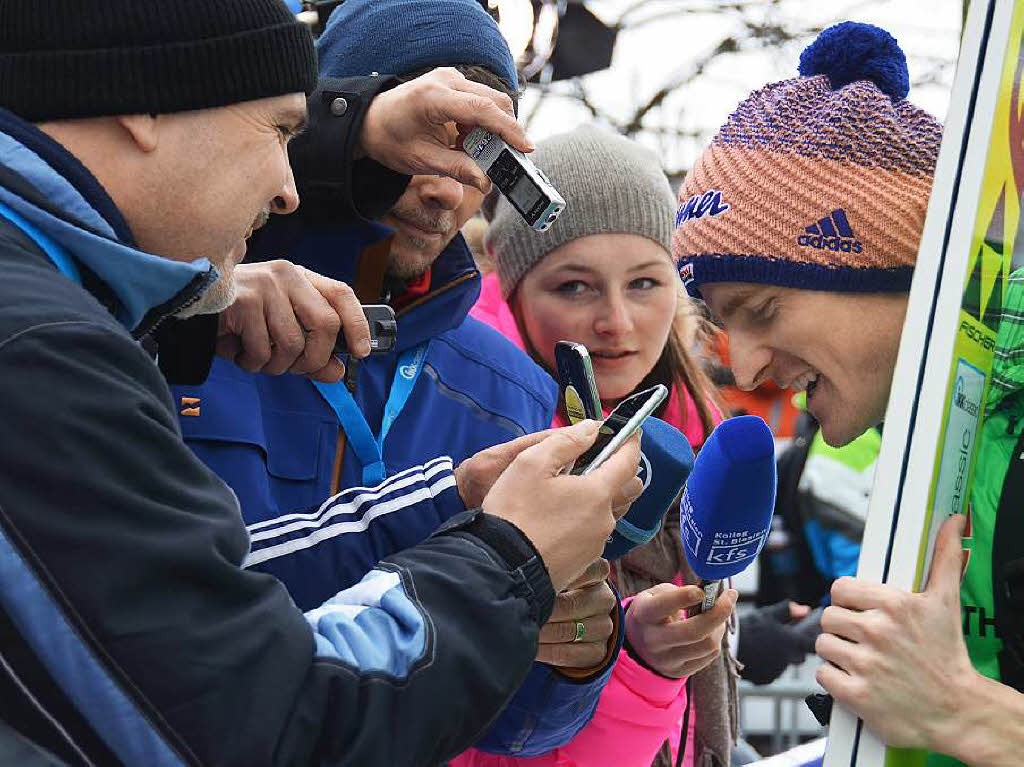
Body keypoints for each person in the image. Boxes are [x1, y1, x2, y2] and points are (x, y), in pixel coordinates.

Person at [0, 3, 643, 765]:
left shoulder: (103, 316)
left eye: (483, 156)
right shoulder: (51, 346)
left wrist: (465, 518)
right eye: (280, 130)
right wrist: (508, 558)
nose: (286, 185)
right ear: (144, 103)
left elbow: (220, 590)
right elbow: (259, 714)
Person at [172, 1, 627, 756]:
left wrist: (574, 660)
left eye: (483, 150)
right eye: (429, 135)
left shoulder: (511, 386)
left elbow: (518, 729)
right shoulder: (185, 323)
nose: (448, 187)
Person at [673, 20, 1024, 764]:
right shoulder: (925, 445)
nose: (746, 371)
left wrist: (965, 710)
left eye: (763, 311)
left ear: (891, 267)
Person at [471, 125, 739, 767]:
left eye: (645, 282)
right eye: (574, 286)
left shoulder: (695, 444)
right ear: (512, 292)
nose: (616, 322)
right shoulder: (484, 468)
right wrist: (639, 669)